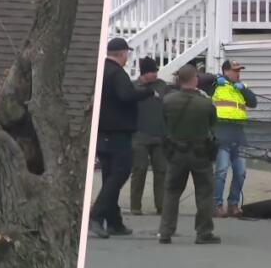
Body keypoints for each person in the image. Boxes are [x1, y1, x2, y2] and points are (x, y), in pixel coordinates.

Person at [89, 38, 154, 239]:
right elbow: (126, 96)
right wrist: (147, 93)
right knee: (120, 173)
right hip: (118, 132)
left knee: (110, 176)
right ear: (123, 53)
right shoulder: (117, 73)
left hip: (102, 132)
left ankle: (114, 221)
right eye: (127, 54)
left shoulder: (102, 70)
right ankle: (96, 216)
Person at [158, 64, 221, 245]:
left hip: (176, 152)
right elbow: (212, 124)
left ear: (178, 79)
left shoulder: (168, 101)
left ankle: (165, 231)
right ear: (195, 79)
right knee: (204, 192)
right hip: (200, 152)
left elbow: (164, 123)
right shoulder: (206, 103)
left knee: (171, 192)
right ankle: (203, 232)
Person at [207, 60, 257, 218]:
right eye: (235, 71)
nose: (238, 73)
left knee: (241, 172)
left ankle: (233, 204)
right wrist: (216, 80)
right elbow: (203, 84)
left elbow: (253, 102)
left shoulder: (241, 87)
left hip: (239, 135)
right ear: (226, 71)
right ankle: (216, 205)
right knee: (221, 171)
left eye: (239, 71)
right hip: (221, 134)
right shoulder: (217, 85)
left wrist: (243, 90)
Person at [130, 56, 170, 215]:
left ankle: (161, 205)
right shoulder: (134, 87)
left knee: (162, 170)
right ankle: (135, 206)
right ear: (144, 73)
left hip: (159, 135)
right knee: (139, 170)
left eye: (156, 71)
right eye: (152, 72)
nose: (155, 74)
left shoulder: (161, 86)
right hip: (139, 135)